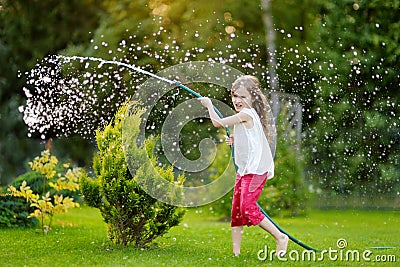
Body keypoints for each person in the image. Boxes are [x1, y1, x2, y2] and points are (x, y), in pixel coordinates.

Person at [199, 75, 288, 257]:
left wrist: (208, 105)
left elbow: (217, 123)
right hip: (245, 170)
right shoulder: (246, 116)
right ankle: (236, 254)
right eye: (234, 95)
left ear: (252, 98)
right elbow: (250, 138)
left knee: (247, 207)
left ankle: (280, 237)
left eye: (242, 97)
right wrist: (235, 140)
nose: (237, 100)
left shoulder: (246, 114)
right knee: (237, 211)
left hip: (256, 170)